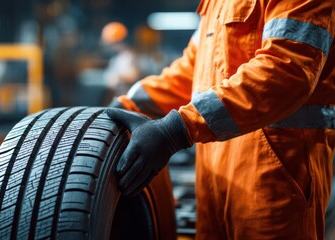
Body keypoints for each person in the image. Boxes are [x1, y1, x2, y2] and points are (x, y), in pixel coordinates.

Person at [106, 0, 335, 239]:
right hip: (213, 180)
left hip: (275, 179)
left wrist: (177, 128)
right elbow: (191, 72)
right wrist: (129, 104)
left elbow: (285, 72)